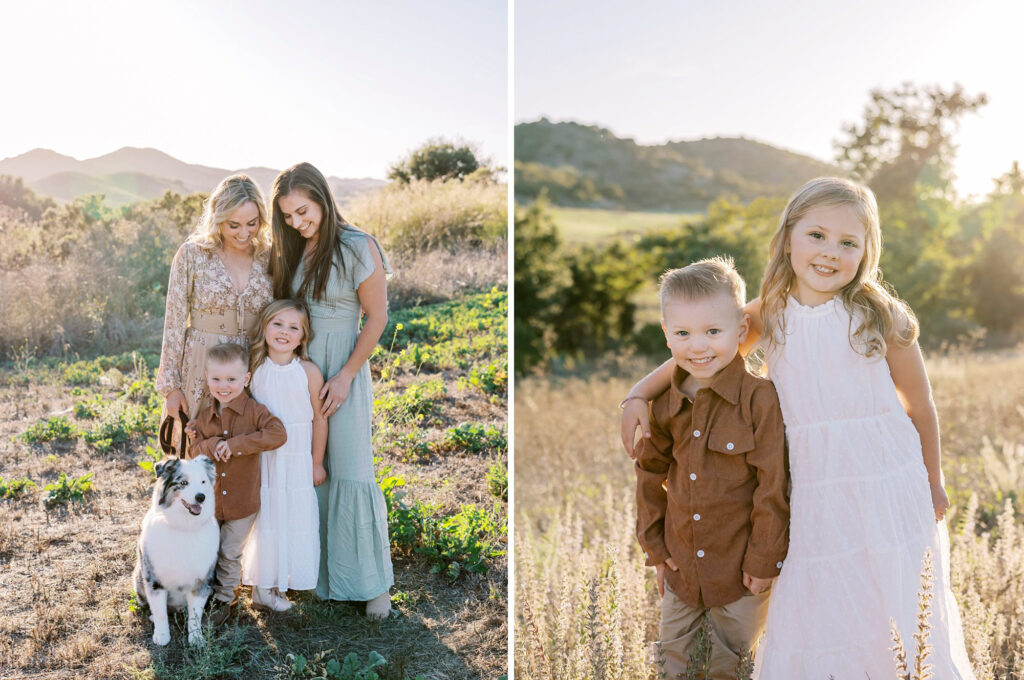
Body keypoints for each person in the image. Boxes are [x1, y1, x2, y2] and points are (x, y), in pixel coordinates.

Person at [620, 177, 975, 678]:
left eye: (848, 243)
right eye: (817, 235)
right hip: (809, 482)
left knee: (888, 596)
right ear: (789, 237)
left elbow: (920, 406)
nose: (830, 253)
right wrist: (638, 394)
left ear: (867, 251)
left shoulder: (881, 316)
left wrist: (933, 480)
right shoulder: (771, 311)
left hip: (885, 480)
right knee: (820, 598)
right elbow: (700, 354)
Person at [632, 257, 788, 679]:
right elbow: (649, 475)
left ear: (740, 330)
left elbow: (772, 485)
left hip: (740, 575)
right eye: (683, 333)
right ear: (666, 335)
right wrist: (658, 551)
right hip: (682, 571)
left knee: (731, 667)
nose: (697, 347)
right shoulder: (664, 405)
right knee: (672, 665)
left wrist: (763, 560)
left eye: (712, 332)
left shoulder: (760, 400)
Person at [268, 162, 393, 618]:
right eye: (288, 217)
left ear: (322, 198)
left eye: (303, 211)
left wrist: (345, 375)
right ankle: (318, 574)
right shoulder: (294, 252)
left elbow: (377, 318)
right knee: (308, 467)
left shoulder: (358, 245)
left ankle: (369, 583)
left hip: (345, 366)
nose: (297, 223)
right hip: (301, 368)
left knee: (352, 466)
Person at [155, 174, 274, 421]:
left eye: (252, 223)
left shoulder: (270, 257)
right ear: (218, 219)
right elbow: (174, 322)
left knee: (246, 450)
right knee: (197, 450)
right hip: (202, 365)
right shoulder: (193, 254)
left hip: (254, 368)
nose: (244, 233)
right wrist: (170, 388)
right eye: (234, 225)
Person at [185, 342, 287, 626]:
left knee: (230, 551)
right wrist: (211, 444)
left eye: (231, 379)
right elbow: (193, 454)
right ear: (207, 378)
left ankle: (224, 600)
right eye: (216, 379)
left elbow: (278, 434)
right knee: (208, 550)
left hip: (243, 502)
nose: (224, 386)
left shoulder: (255, 412)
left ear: (246, 379)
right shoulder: (205, 417)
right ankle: (202, 595)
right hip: (212, 503)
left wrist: (237, 444)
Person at [240, 299, 326, 611]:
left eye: (293, 328)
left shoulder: (308, 371)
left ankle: (282, 580)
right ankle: (263, 588)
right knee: (267, 519)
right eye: (277, 324)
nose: (284, 332)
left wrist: (317, 462)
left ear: (302, 338)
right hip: (265, 460)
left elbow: (319, 418)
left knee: (293, 517)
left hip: (298, 458)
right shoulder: (254, 368)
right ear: (264, 328)